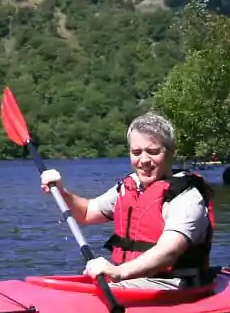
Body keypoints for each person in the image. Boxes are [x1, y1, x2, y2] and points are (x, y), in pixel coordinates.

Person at [39, 112, 216, 290]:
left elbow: (168, 251)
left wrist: (118, 273)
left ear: (171, 152)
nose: (144, 160)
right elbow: (86, 213)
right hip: (131, 281)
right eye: (136, 152)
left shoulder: (187, 196)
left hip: (173, 285)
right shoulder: (131, 186)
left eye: (153, 151)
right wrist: (61, 191)